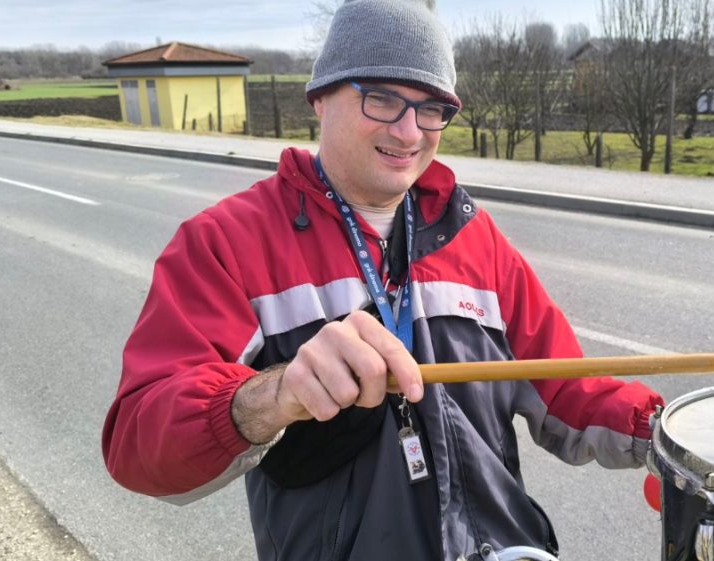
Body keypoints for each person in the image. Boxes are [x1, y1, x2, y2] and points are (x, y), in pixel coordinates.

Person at [101, 1, 664, 560]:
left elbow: (565, 385)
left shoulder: (472, 235)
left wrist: (666, 431)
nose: (408, 131)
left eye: (431, 108)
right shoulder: (227, 242)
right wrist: (275, 395)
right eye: (383, 98)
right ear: (320, 97)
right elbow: (136, 444)